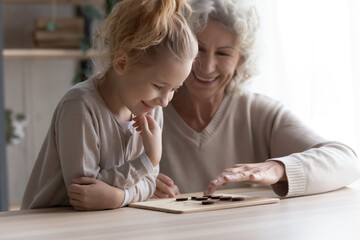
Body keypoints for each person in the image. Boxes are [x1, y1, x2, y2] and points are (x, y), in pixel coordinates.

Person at [154, 0, 360, 198]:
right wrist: (137, 188)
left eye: (223, 54)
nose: (207, 67)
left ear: (241, 60)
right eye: (199, 49)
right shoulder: (148, 108)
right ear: (179, 48)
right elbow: (122, 180)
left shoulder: (257, 112)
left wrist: (277, 168)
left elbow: (347, 161)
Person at [21, 0, 197, 210]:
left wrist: (120, 197)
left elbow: (150, 183)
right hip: (51, 225)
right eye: (159, 86)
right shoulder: (80, 106)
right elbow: (84, 193)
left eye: (175, 89)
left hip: (108, 222)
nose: (165, 101)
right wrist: (147, 161)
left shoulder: (152, 108)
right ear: (121, 63)